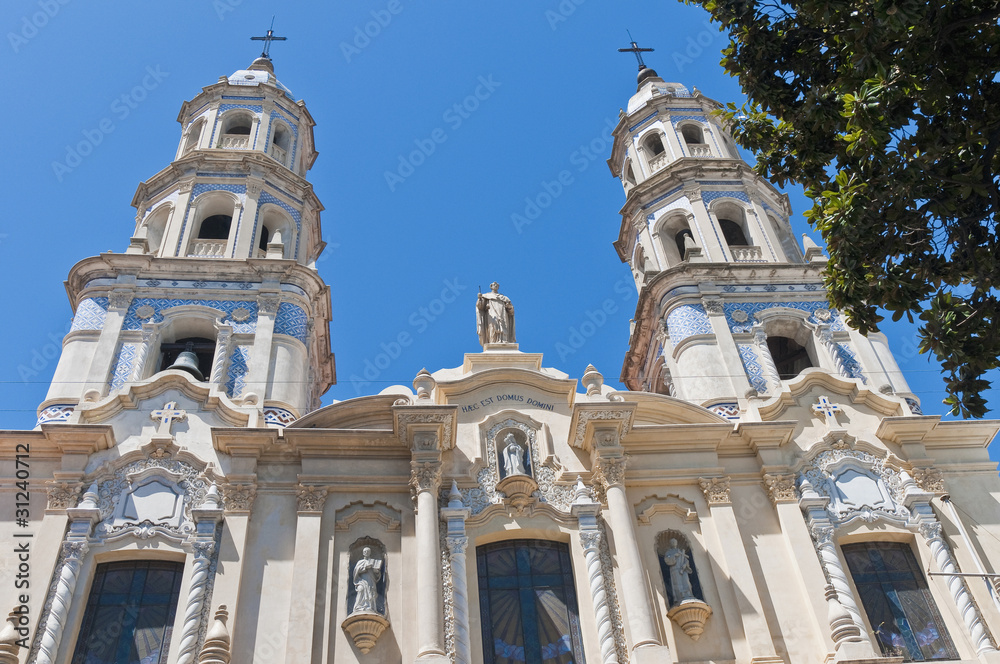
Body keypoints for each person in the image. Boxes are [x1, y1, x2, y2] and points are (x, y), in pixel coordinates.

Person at [477, 282, 516, 346]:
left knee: (503, 325)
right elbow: (480, 307)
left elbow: (511, 311)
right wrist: (480, 299)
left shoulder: (504, 298)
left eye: (497, 285)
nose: (495, 285)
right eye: (494, 284)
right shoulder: (486, 296)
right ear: (491, 286)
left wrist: (509, 306)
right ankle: (492, 341)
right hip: (491, 313)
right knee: (493, 325)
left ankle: (504, 341)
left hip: (503, 313)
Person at [663, 538, 695, 604]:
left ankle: (689, 595)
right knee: (677, 584)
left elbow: (686, 560)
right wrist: (674, 555)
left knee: (686, 582)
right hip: (675, 570)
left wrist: (685, 564)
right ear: (670, 544)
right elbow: (667, 560)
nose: (674, 543)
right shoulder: (668, 552)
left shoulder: (680, 551)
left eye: (675, 542)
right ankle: (680, 597)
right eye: (672, 542)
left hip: (683, 569)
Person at [352, 546, 382, 614]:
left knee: (371, 592)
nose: (366, 552)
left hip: (371, 580)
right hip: (362, 581)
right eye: (365, 551)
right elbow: (356, 571)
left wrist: (376, 571)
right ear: (363, 553)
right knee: (360, 589)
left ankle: (371, 607)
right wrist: (365, 568)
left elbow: (377, 574)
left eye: (368, 551)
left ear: (370, 553)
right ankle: (358, 607)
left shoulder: (373, 562)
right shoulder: (360, 562)